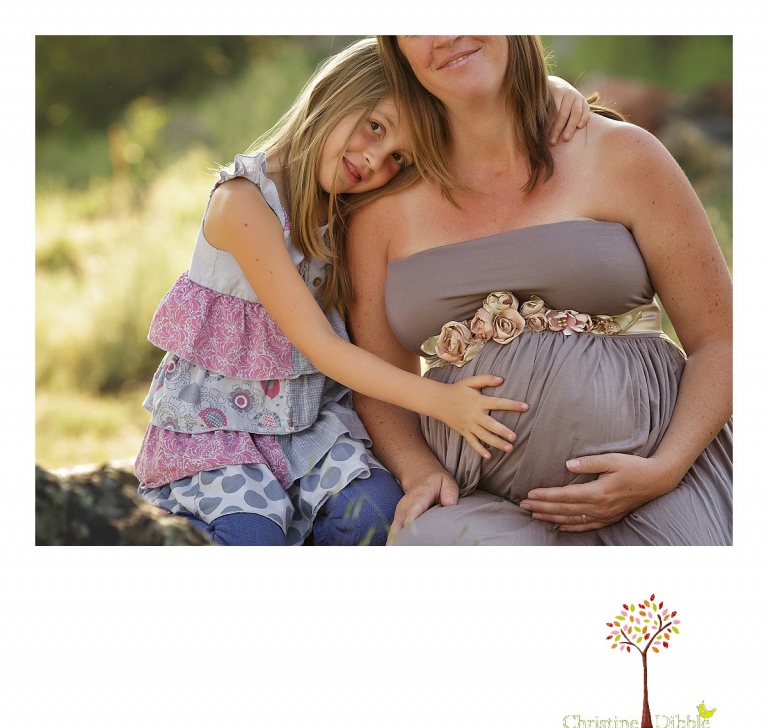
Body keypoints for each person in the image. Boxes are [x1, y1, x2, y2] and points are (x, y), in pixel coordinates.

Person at [133, 36, 591, 546]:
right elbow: (320, 346)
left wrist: (546, 89)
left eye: (399, 157)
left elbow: (477, 125)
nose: (375, 160)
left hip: (308, 426)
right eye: (375, 127)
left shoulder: (346, 204)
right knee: (251, 536)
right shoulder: (243, 203)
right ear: (333, 93)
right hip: (221, 432)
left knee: (376, 514)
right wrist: (442, 401)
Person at [346, 35, 733, 546]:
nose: (445, 34)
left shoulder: (623, 154)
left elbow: (722, 341)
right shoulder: (379, 211)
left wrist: (665, 468)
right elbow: (378, 384)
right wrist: (419, 470)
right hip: (476, 498)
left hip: (660, 480)